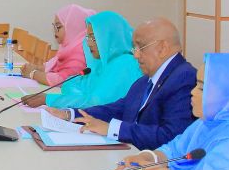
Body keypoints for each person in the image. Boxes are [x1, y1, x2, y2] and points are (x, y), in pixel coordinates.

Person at [53, 17, 196, 150]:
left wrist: (112, 129)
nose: (136, 55)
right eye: (134, 48)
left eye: (141, 47)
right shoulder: (146, 79)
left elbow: (171, 136)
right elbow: (118, 109)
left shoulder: (184, 77)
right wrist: (70, 114)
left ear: (163, 48)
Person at [22, 10, 141, 110]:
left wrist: (48, 99)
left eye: (94, 37)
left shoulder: (124, 64)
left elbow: (95, 102)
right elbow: (70, 84)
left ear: (110, 37)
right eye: (88, 37)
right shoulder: (101, 63)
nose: (89, 43)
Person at [20, 4, 93, 86]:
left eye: (58, 26)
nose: (55, 30)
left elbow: (62, 80)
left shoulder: (82, 51)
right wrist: (36, 68)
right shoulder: (68, 47)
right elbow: (53, 65)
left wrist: (33, 73)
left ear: (72, 27)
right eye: (54, 26)